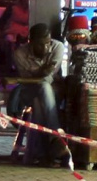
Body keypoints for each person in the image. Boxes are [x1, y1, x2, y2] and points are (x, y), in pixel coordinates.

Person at [5, 22, 66, 165]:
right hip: (28, 91)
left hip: (54, 92)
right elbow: (32, 81)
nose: (45, 48)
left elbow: (47, 78)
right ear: (30, 42)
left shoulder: (58, 47)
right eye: (40, 44)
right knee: (41, 89)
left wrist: (33, 76)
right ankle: (55, 136)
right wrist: (42, 73)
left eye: (47, 43)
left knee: (39, 100)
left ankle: (39, 154)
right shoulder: (20, 54)